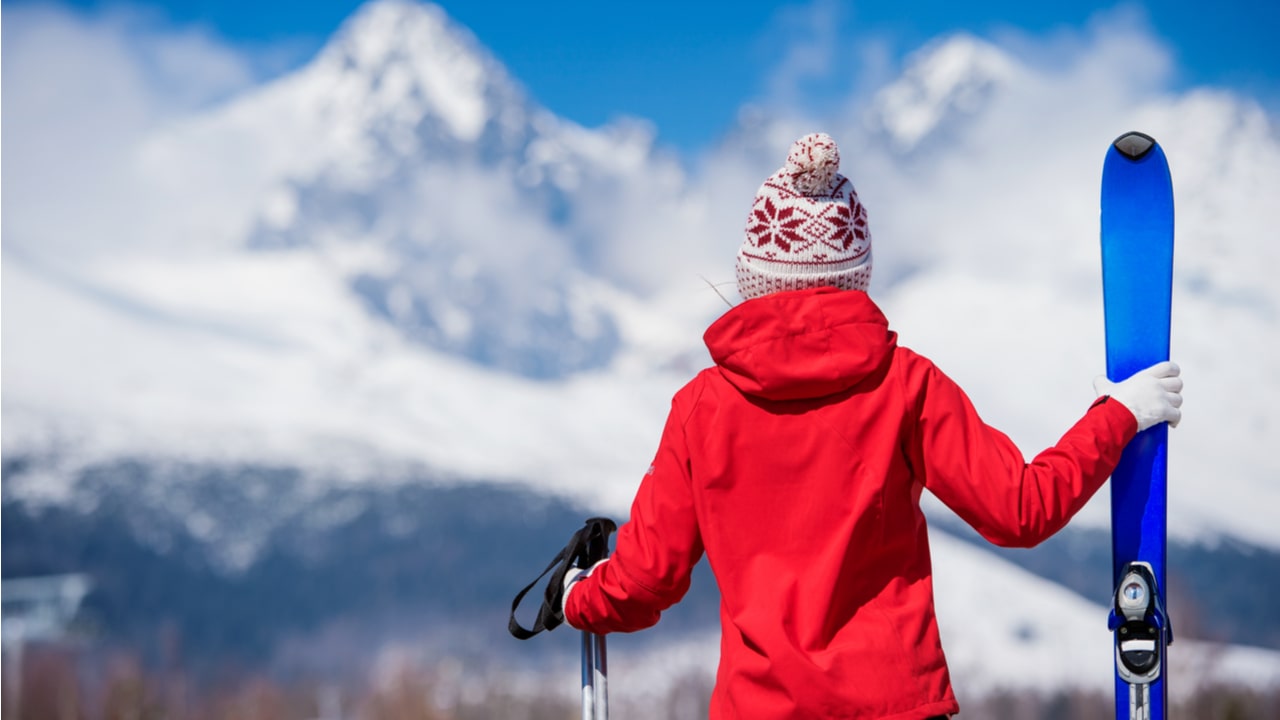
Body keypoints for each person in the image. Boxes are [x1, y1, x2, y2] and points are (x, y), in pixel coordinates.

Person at [561, 132, 1183, 719]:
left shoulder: (701, 407)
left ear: (753, 278)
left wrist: (577, 595)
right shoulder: (905, 385)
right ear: (855, 274)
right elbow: (1020, 510)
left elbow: (645, 581)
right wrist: (1119, 416)